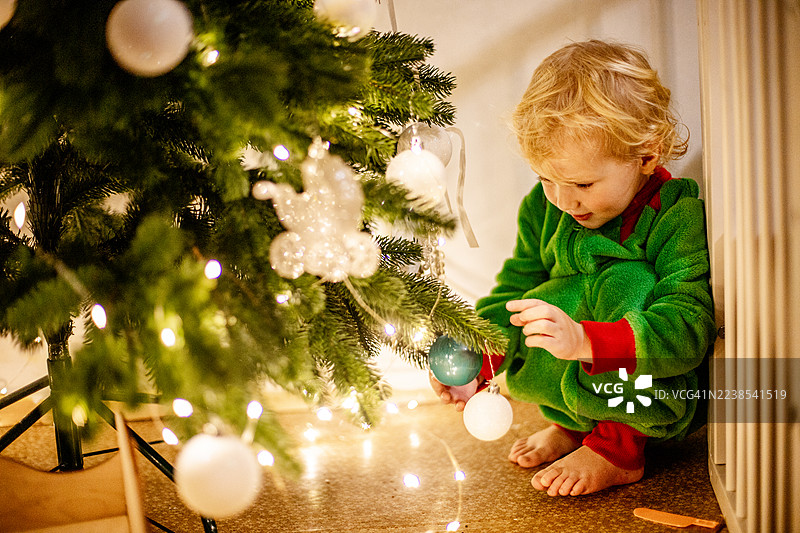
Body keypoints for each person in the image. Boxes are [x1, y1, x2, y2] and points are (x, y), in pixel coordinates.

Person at [430, 40, 716, 497]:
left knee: (627, 282)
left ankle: (620, 445)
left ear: (646, 156)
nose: (564, 200)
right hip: (574, 373)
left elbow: (689, 327)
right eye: (546, 178)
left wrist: (585, 341)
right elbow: (514, 290)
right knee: (539, 303)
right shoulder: (545, 208)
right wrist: (479, 361)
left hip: (652, 395)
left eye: (582, 183)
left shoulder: (674, 214)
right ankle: (574, 424)